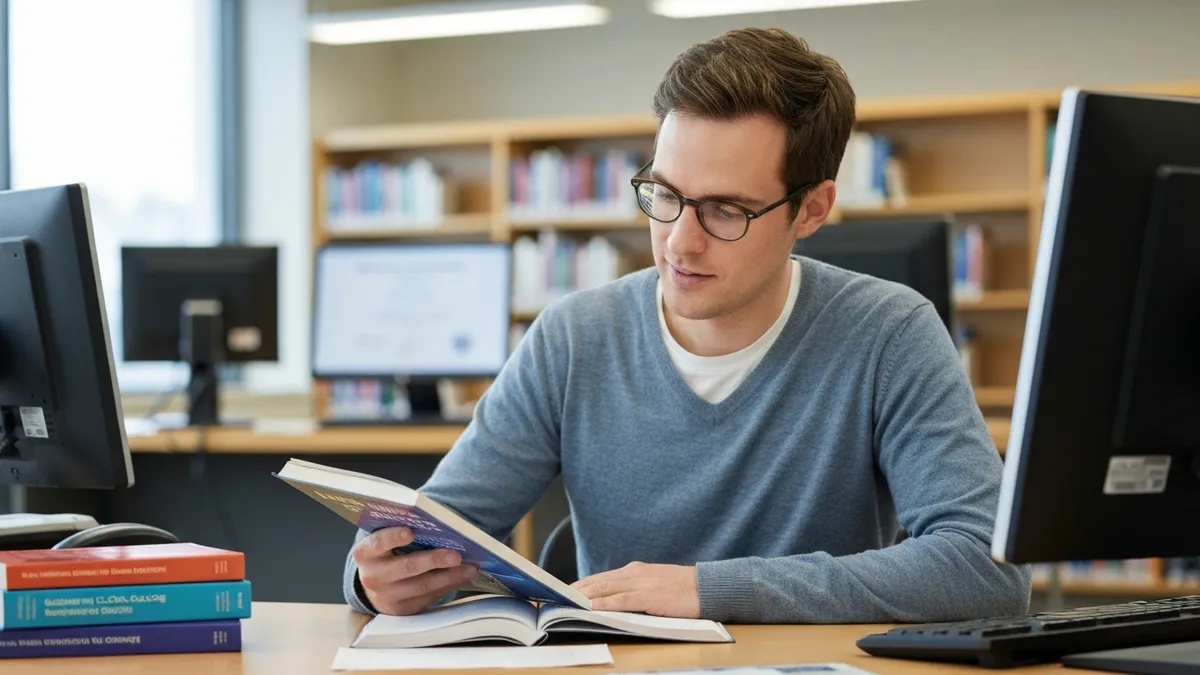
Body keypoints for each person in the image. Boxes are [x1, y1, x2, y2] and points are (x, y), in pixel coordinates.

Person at [343, 27, 1032, 624]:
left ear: (813, 209)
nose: (679, 242)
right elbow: (434, 528)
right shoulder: (573, 337)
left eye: (725, 210)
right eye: (665, 195)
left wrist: (712, 588)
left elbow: (984, 567)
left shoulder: (889, 333)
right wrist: (373, 580)